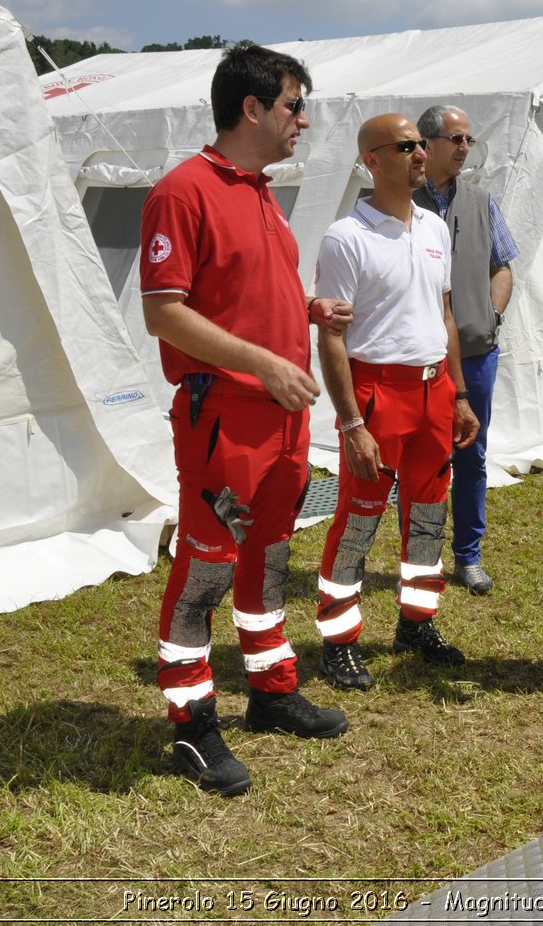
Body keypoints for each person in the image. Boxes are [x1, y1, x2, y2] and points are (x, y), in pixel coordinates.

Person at [142, 42, 352, 797]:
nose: (305, 120)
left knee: (267, 558)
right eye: (296, 105)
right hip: (223, 417)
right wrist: (263, 363)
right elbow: (165, 313)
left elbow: (244, 293)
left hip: (282, 419)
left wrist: (306, 310)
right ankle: (193, 726)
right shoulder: (182, 191)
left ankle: (271, 691)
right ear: (253, 108)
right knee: (205, 571)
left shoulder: (261, 191)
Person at [313, 114, 480, 687]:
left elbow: (446, 315)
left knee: (429, 514)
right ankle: (339, 639)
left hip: (434, 390)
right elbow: (330, 336)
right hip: (376, 390)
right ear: (372, 160)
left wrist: (458, 393)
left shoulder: (434, 227)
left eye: (419, 145)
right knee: (359, 519)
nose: (419, 153)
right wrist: (353, 421)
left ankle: (417, 622)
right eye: (405, 146)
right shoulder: (346, 237)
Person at [414, 105, 518, 597]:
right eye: (455, 138)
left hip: (476, 351)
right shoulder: (398, 201)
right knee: (421, 458)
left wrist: (492, 315)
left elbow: (503, 266)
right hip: (416, 359)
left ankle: (468, 555)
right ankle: (420, 554)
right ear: (426, 144)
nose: (463, 148)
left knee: (471, 454)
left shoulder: (480, 201)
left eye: (468, 140)